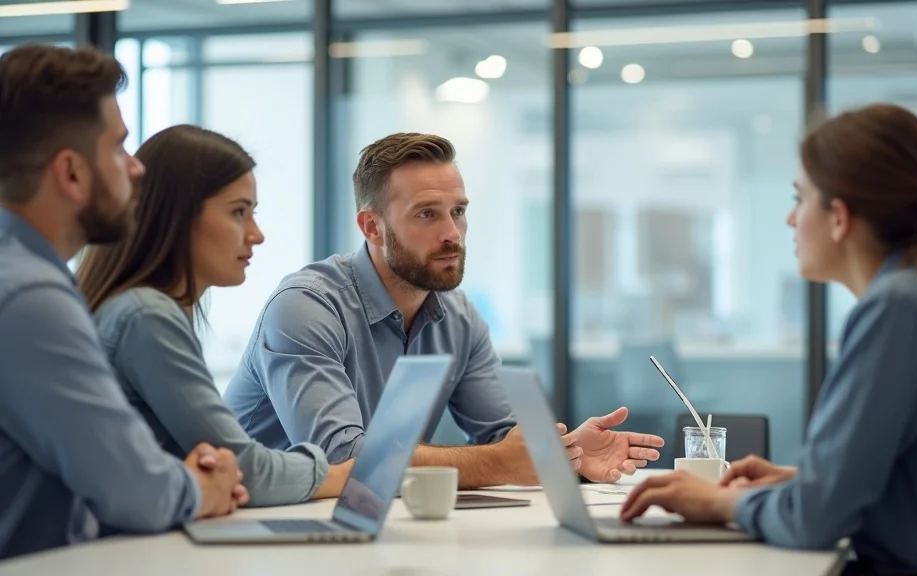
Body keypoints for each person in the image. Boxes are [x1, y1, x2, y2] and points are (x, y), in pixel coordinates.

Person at [619, 103, 917, 575]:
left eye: (800, 199)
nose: (791, 220)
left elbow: (815, 520)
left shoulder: (898, 309)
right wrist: (801, 482)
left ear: (839, 217)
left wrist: (718, 503)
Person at [224, 132, 665, 488]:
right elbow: (340, 458)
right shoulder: (305, 308)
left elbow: (503, 437)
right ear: (371, 226)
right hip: (263, 532)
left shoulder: (457, 316)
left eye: (458, 211)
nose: (453, 233)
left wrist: (561, 455)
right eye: (426, 215)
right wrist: (498, 463)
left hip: (372, 527)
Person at [0, 44, 247, 559]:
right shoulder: (30, 297)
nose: (136, 170)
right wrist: (202, 487)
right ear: (71, 174)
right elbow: (135, 491)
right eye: (118, 149)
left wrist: (173, 478)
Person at [75, 125, 354, 507]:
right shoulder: (146, 316)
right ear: (177, 216)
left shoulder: (145, 310)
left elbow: (230, 468)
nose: (257, 235)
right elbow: (251, 472)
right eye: (239, 212)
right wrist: (344, 473)